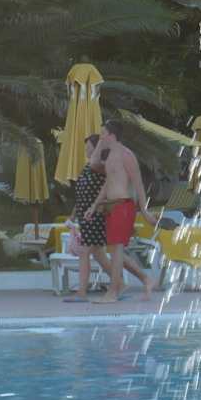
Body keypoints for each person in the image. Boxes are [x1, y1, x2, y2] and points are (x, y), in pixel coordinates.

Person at [64, 135, 152, 302]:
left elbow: (112, 185)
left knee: (89, 251)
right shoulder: (88, 167)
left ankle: (82, 293)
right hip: (87, 215)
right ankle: (125, 283)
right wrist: (74, 214)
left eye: (89, 147)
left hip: (98, 215)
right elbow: (83, 194)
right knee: (101, 252)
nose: (86, 150)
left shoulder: (102, 166)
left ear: (98, 148)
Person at [85, 119, 157, 303]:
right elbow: (94, 165)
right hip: (111, 206)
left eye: (103, 133)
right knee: (114, 250)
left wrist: (145, 211)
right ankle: (145, 280)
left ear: (112, 135)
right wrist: (94, 206)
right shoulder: (109, 156)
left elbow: (138, 183)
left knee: (116, 249)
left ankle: (113, 292)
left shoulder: (126, 155)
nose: (100, 136)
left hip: (123, 205)